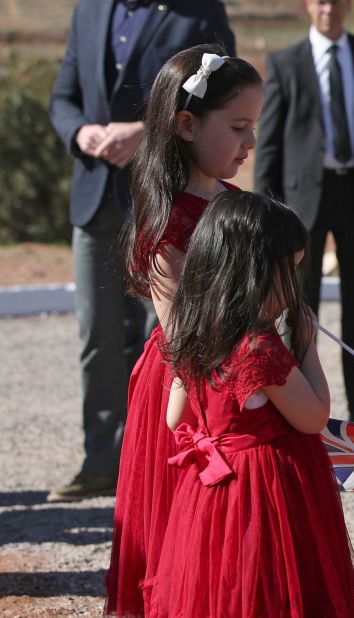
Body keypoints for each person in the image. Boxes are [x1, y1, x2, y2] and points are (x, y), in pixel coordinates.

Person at [147, 191, 354, 618]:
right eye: (289, 270)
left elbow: (174, 416)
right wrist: (307, 348)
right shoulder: (261, 350)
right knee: (246, 616)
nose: (296, 285)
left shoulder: (196, 333)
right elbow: (312, 416)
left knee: (210, 611)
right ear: (254, 272)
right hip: (255, 498)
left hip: (205, 495)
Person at [47, 0, 235, 502]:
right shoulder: (88, 12)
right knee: (97, 336)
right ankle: (100, 461)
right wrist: (80, 131)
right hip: (94, 202)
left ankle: (167, 458)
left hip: (165, 198)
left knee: (169, 337)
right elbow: (63, 98)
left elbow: (224, 97)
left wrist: (146, 133)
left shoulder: (197, 12)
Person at [104, 47, 262, 618]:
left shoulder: (241, 206)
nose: (248, 144)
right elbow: (183, 333)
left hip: (245, 378)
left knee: (242, 526)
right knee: (193, 521)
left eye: (253, 129)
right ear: (187, 124)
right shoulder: (167, 220)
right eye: (238, 128)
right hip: (189, 383)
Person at [254, 0, 354, 425]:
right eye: (321, 1)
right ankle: (297, 397)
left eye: (338, 1)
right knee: (299, 302)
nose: (330, 8)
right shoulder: (286, 62)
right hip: (300, 204)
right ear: (307, 6)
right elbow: (269, 141)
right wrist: (261, 208)